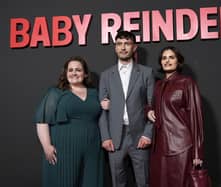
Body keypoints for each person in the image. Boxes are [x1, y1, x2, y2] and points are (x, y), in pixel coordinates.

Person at [35, 56, 103, 187]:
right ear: (65, 73)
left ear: (85, 73)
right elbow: (42, 121)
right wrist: (47, 146)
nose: (74, 73)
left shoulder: (95, 93)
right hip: (64, 147)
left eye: (78, 70)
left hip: (93, 148)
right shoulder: (55, 93)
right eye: (70, 70)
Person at [98, 30, 154, 187]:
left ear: (134, 47)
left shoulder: (146, 73)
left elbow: (153, 107)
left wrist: (148, 134)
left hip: (139, 136)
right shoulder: (106, 75)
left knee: (144, 182)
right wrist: (105, 137)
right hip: (115, 137)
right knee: (118, 183)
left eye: (127, 44)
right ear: (115, 47)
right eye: (119, 44)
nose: (123, 47)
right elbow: (102, 111)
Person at [147, 46, 204, 187]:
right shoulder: (158, 85)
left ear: (178, 61)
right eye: (164, 58)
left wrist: (198, 153)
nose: (167, 61)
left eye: (171, 57)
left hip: (181, 146)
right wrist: (148, 110)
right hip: (159, 147)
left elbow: (196, 118)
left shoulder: (187, 83)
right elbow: (152, 105)